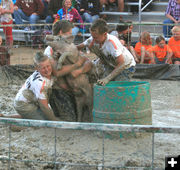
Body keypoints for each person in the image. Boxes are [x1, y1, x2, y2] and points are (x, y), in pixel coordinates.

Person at [44, 20, 92, 121]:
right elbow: (57, 72)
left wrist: (80, 70)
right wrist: (77, 65)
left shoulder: (67, 45)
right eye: (69, 33)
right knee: (70, 120)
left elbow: (87, 61)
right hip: (59, 91)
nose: (71, 35)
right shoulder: (50, 50)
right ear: (61, 33)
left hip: (73, 89)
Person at [77, 18, 136, 86]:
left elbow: (122, 64)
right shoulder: (93, 38)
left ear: (105, 34)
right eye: (92, 36)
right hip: (111, 65)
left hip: (127, 66)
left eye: (96, 37)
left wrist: (107, 79)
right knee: (101, 84)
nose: (93, 39)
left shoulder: (112, 42)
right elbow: (78, 47)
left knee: (117, 87)